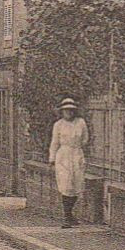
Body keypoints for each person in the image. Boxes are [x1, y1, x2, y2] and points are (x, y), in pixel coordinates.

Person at [48, 97, 89, 228]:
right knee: (66, 185)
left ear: (74, 111)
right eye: (66, 110)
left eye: (71, 110)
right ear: (62, 111)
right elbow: (54, 142)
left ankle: (70, 214)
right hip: (63, 156)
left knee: (77, 185)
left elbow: (85, 139)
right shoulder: (58, 125)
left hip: (76, 154)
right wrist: (52, 158)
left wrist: (77, 148)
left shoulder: (81, 123)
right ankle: (67, 217)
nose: (69, 113)